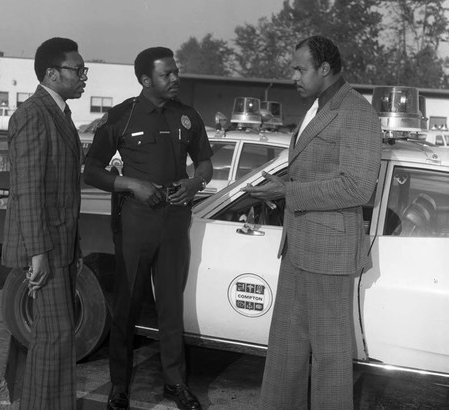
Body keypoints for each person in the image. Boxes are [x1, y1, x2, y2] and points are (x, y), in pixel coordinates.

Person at [243, 36, 382, 409]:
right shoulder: (316, 107)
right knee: (285, 351)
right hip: (298, 247)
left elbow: (358, 187)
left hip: (329, 253)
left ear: (324, 69)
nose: (294, 76)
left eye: (300, 69)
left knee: (329, 360)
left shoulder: (357, 113)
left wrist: (289, 192)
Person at [84, 47, 213, 410]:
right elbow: (91, 169)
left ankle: (175, 383)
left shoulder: (187, 116)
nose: (175, 79)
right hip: (136, 222)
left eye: (175, 72)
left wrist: (194, 183)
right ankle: (119, 385)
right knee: (128, 306)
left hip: (174, 221)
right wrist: (131, 184)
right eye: (166, 74)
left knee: (172, 307)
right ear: (144, 80)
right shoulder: (122, 117)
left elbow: (204, 163)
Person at [2, 37, 87, 409]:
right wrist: (37, 253)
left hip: (60, 246)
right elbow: (27, 190)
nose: (83, 77)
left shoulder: (61, 113)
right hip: (45, 249)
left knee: (58, 337)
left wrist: (74, 249)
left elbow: (65, 191)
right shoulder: (32, 115)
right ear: (52, 74)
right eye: (77, 70)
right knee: (53, 337)